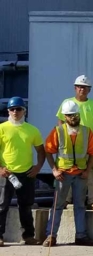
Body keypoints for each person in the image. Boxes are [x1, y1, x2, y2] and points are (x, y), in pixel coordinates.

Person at [42, 100, 93, 246]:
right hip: (63, 174)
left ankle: (81, 235)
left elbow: (92, 153)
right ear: (64, 117)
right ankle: (51, 236)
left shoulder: (87, 132)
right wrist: (54, 170)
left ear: (78, 115)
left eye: (74, 115)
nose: (72, 117)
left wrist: (87, 171)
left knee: (80, 205)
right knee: (58, 205)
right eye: (69, 115)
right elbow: (48, 150)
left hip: (80, 175)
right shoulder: (58, 131)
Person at [0, 97, 44, 247]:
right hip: (7, 173)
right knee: (2, 205)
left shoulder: (32, 130)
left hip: (26, 173)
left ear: (24, 111)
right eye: (12, 109)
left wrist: (38, 167)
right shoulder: (2, 128)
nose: (15, 112)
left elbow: (41, 151)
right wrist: (0, 168)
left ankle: (28, 236)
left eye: (18, 109)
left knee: (26, 206)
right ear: (8, 111)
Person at [56, 75, 93, 211]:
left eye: (85, 87)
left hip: (87, 144)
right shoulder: (67, 102)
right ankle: (65, 199)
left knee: (91, 172)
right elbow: (60, 120)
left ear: (89, 89)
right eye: (80, 87)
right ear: (75, 88)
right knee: (68, 172)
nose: (82, 89)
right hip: (69, 145)